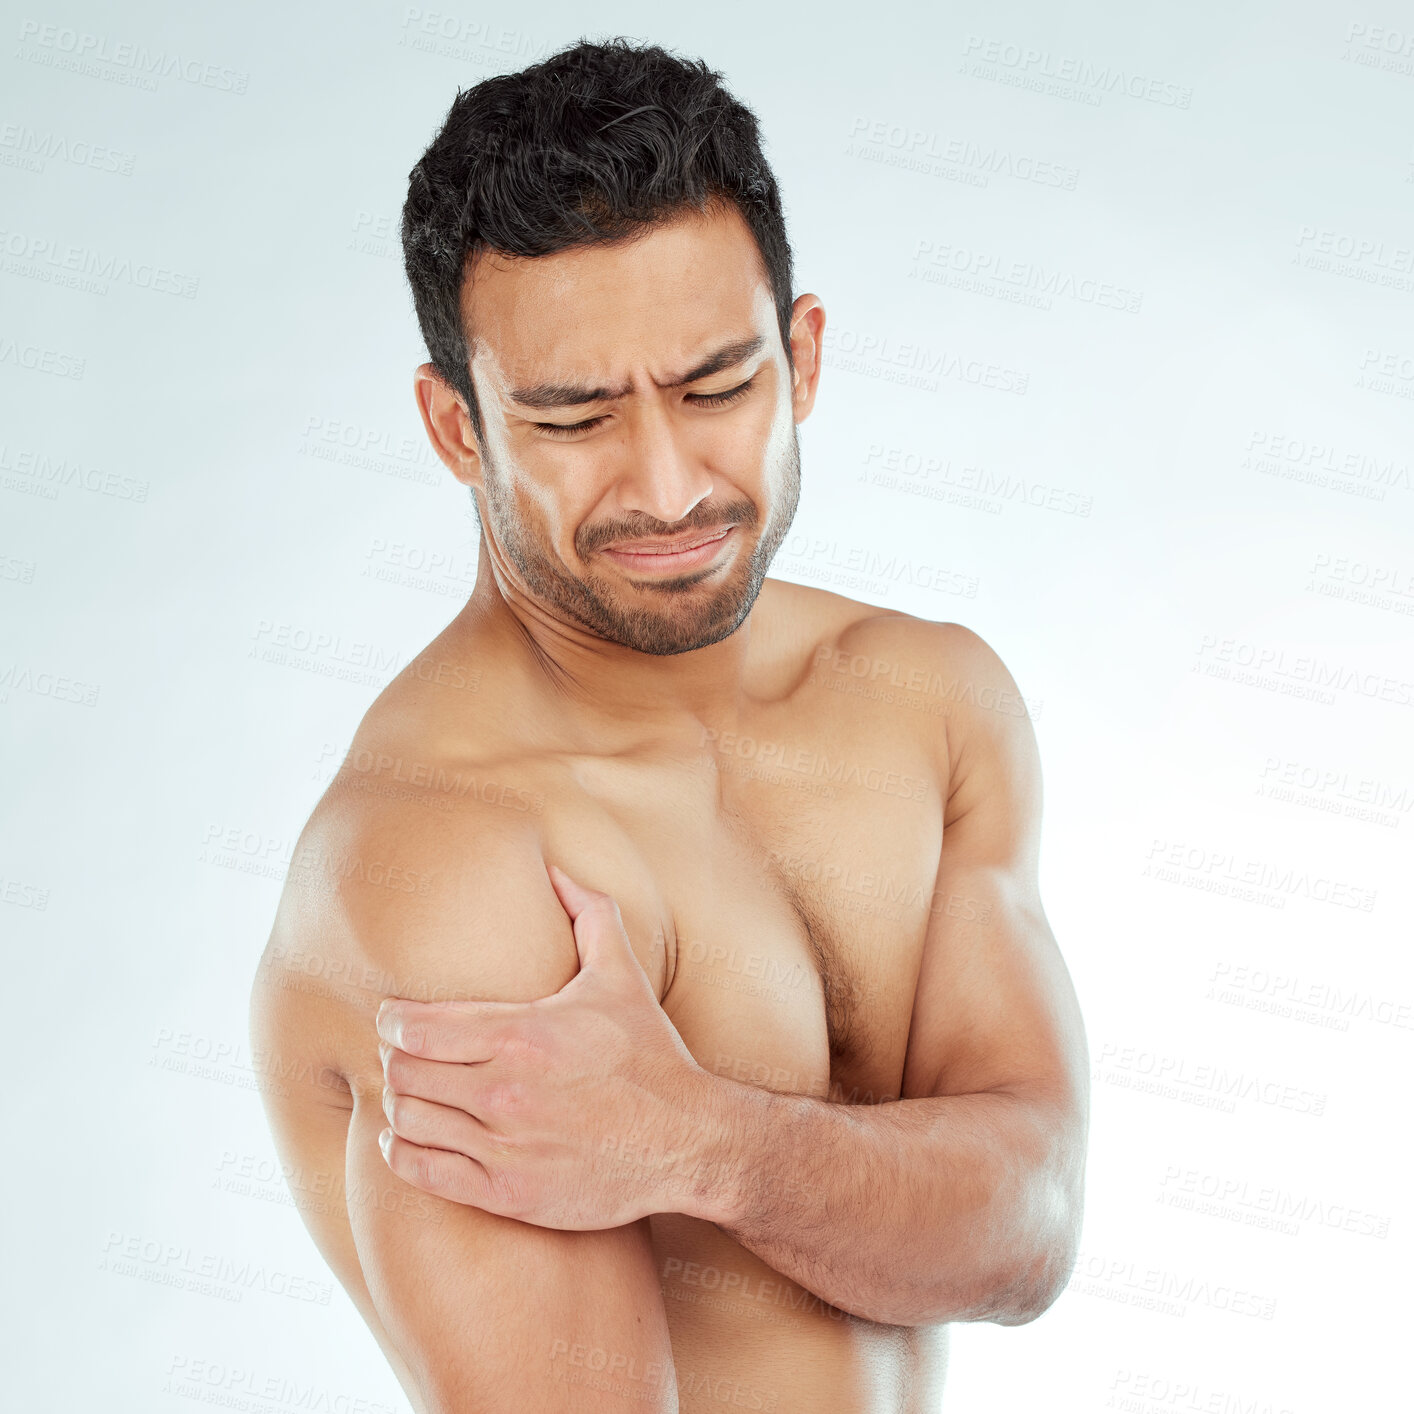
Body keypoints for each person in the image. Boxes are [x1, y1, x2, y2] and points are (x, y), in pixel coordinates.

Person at [249, 35, 1088, 1414]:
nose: (665, 483)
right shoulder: (445, 857)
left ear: (799, 355)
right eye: (574, 416)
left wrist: (711, 1146)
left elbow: (1028, 1223)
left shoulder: (926, 700)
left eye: (713, 389)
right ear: (458, 430)